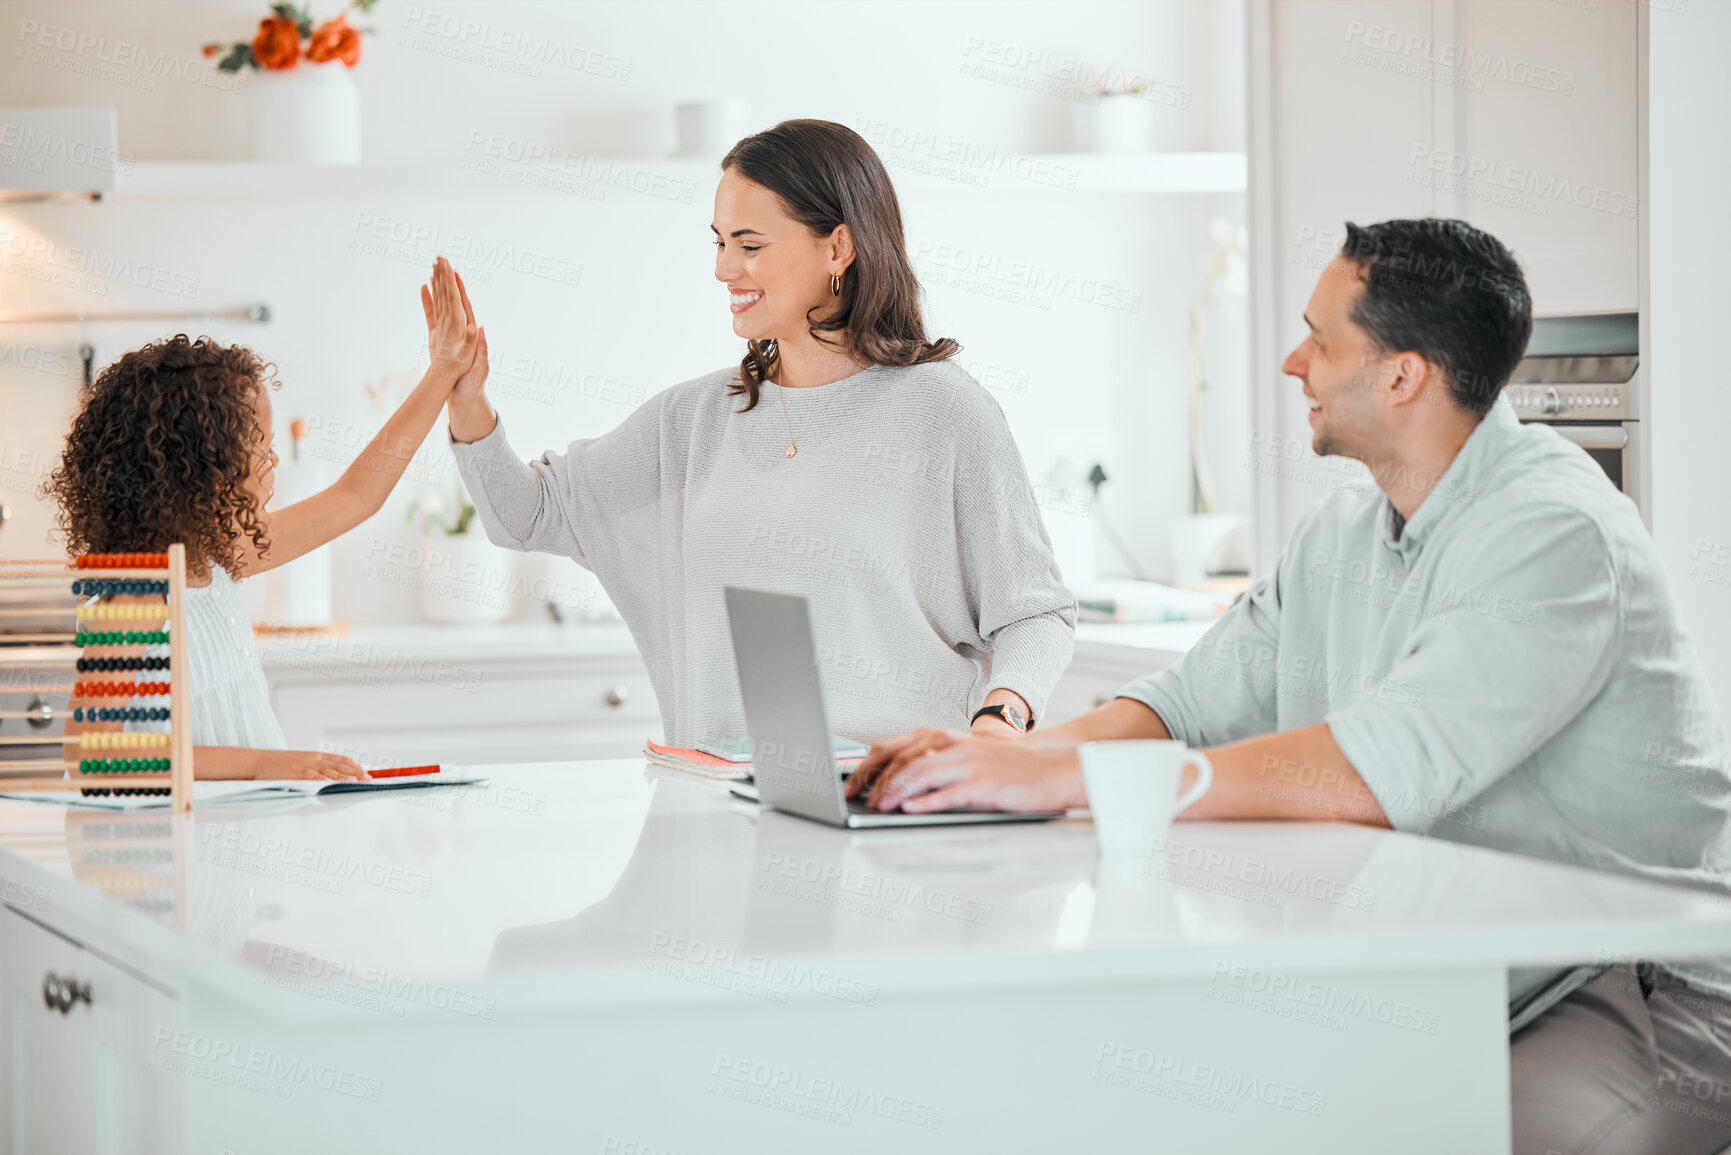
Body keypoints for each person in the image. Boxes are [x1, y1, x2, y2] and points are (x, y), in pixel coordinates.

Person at [848, 218, 1731, 1155]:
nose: (1289, 360)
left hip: (1644, 982)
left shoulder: (1551, 532)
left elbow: (1376, 771)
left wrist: (1063, 782)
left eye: (1319, 337)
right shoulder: (1344, 535)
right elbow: (1183, 706)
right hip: (1470, 961)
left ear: (1403, 376)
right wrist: (1003, 755)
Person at [444, 119, 1075, 748]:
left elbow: (1035, 613)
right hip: (722, 805)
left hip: (896, 800)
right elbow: (523, 516)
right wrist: (466, 398)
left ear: (838, 248)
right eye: (718, 243)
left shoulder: (945, 413)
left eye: (749, 245)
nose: (724, 269)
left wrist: (999, 722)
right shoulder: (691, 422)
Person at [45, 258, 481, 781]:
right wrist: (264, 764)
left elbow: (358, 495)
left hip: (241, 833)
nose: (272, 462)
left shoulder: (222, 557)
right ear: (202, 468)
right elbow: (91, 755)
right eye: (261, 448)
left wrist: (441, 373)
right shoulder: (137, 595)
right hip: (190, 851)